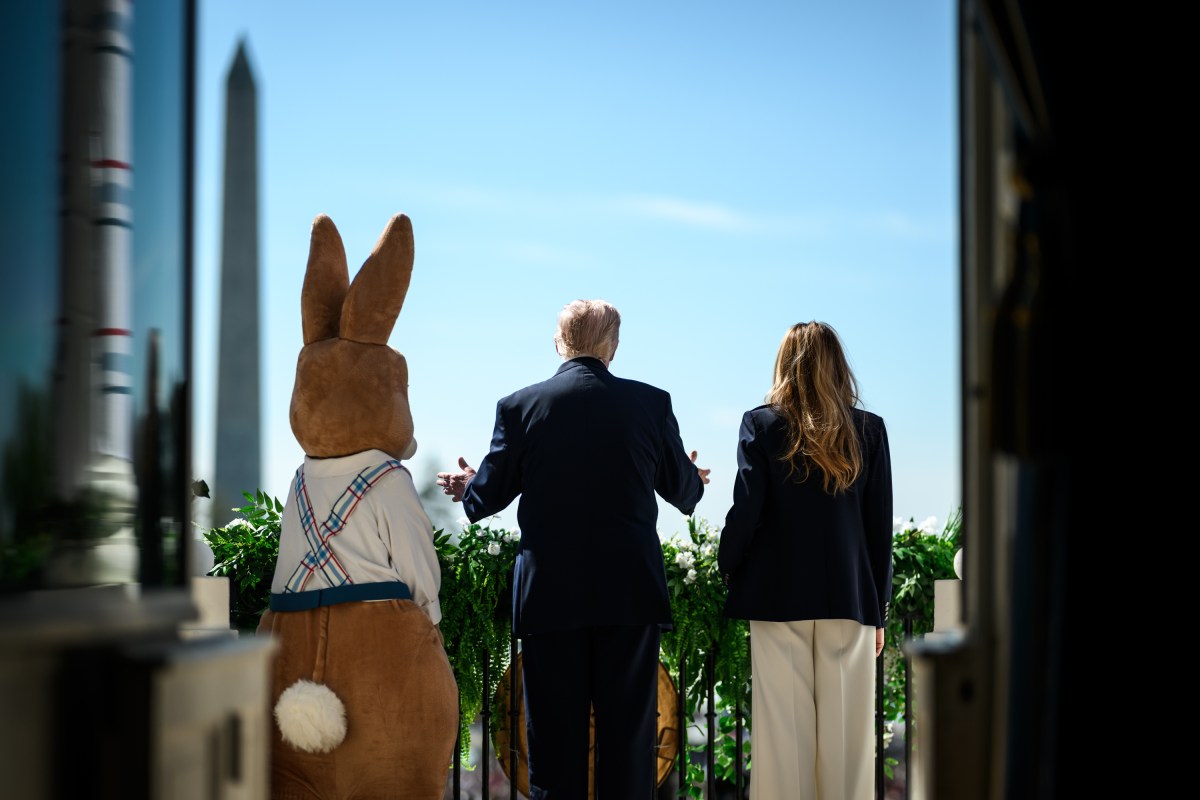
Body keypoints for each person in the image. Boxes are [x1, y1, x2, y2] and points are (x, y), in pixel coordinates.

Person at [438, 298, 710, 799]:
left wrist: (468, 484)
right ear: (614, 347)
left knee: (553, 755)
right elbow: (685, 491)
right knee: (629, 750)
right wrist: (693, 476)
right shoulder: (651, 403)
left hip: (550, 601)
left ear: (558, 344)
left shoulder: (520, 406)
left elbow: (485, 498)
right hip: (630, 598)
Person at [717, 321, 893, 800]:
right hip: (851, 600)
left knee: (782, 742)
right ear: (839, 365)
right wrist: (879, 612)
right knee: (847, 746)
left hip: (776, 597)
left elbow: (746, 512)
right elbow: (880, 531)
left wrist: (726, 565)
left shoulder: (761, 424)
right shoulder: (869, 430)